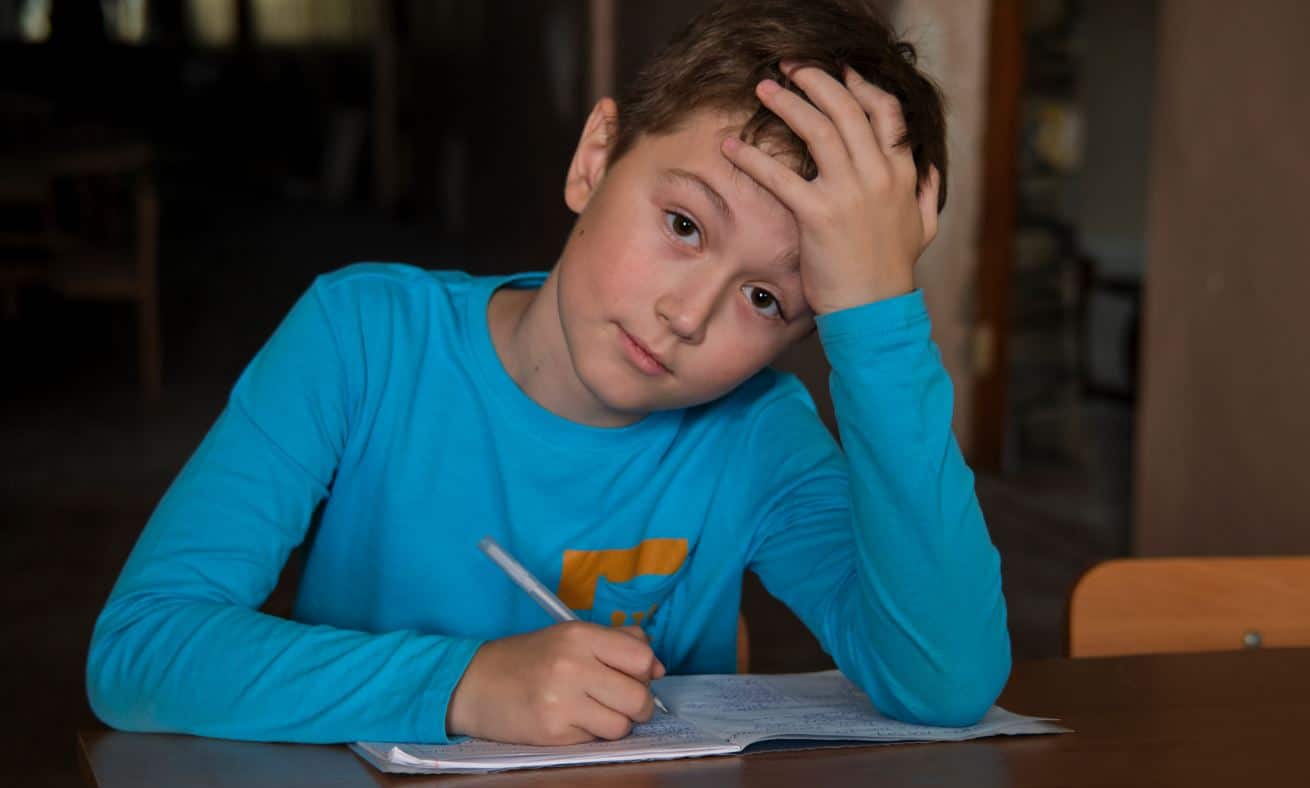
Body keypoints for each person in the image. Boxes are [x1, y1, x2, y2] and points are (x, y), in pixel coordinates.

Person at [86, 0, 1010, 747]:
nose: (687, 318)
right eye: (684, 225)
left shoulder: (757, 427)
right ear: (595, 159)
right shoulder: (363, 337)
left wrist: (877, 320)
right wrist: (463, 685)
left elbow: (945, 683)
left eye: (769, 300)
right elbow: (140, 652)